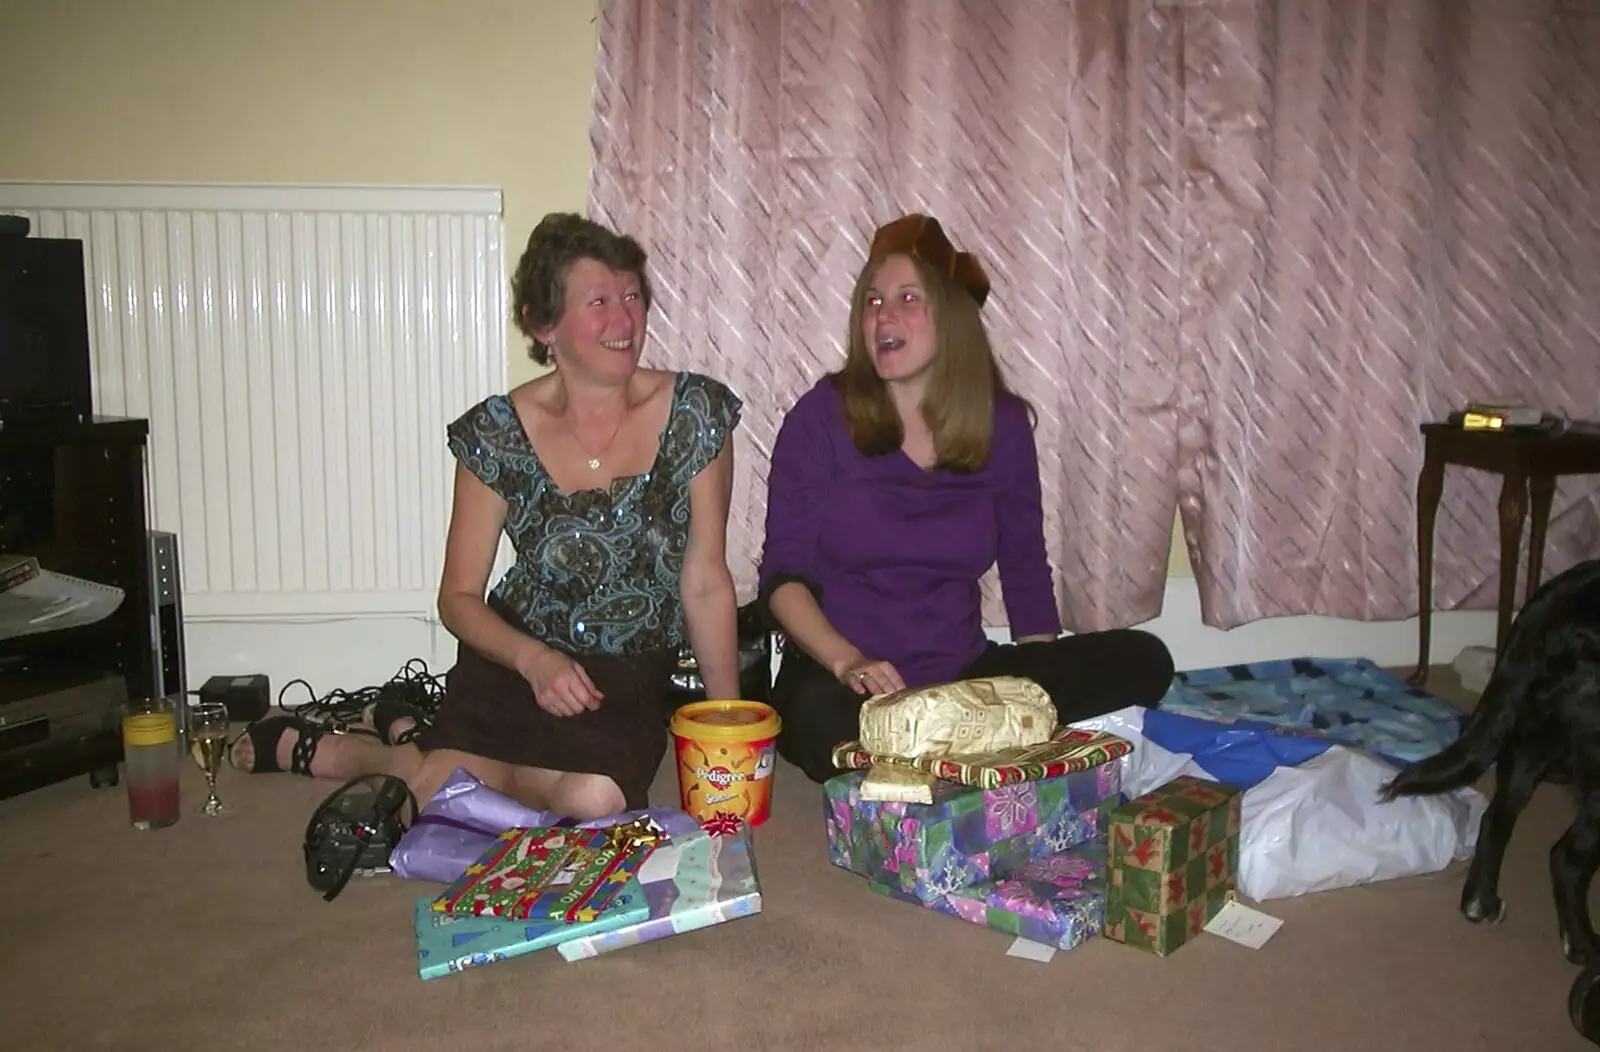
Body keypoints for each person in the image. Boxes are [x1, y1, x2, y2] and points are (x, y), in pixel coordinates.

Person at [228, 213, 744, 819]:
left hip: (625, 670)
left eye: (632, 296)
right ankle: (372, 756)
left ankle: (411, 749)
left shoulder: (694, 412)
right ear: (542, 323)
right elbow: (458, 598)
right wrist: (535, 661)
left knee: (594, 799)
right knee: (431, 797)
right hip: (519, 657)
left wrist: (729, 727)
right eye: (598, 300)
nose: (624, 319)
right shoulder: (497, 431)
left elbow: (705, 580)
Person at [758, 213, 1175, 784]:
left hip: (964, 678)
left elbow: (1025, 567)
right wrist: (846, 660)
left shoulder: (999, 424)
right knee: (814, 722)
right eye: (873, 301)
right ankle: (951, 754)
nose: (883, 315)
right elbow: (783, 578)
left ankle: (940, 752)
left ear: (951, 317)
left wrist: (1035, 687)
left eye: (908, 297)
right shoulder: (820, 418)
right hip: (846, 682)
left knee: (1146, 660)